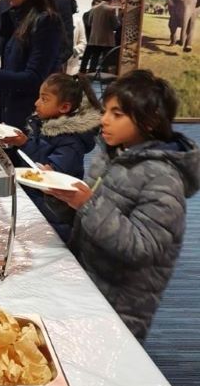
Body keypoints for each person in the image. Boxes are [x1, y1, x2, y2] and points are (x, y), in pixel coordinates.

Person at [46, 70, 200, 340]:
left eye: (117, 115)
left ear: (150, 121)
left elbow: (142, 247)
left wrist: (88, 204)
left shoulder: (163, 178)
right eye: (105, 111)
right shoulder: (112, 154)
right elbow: (87, 220)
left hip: (120, 305)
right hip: (86, 285)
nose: (104, 120)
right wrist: (63, 198)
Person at [2, 73, 101, 239]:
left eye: (44, 99)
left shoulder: (72, 141)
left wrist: (26, 144)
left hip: (53, 211)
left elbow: (54, 174)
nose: (36, 103)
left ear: (64, 107)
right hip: (34, 199)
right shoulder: (42, 124)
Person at [0, 0, 63, 130]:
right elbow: (13, 67)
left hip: (28, 113)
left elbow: (34, 77)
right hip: (10, 107)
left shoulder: (46, 21)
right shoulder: (19, 17)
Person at [79, 0, 119, 73]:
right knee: (106, 59)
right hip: (106, 39)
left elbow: (89, 23)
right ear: (110, 0)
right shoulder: (111, 9)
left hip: (94, 38)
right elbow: (115, 25)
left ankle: (91, 74)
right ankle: (104, 77)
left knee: (94, 58)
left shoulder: (94, 9)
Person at [62, 0, 87, 75]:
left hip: (71, 66)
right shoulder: (50, 20)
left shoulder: (78, 21)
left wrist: (74, 50)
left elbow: (83, 42)